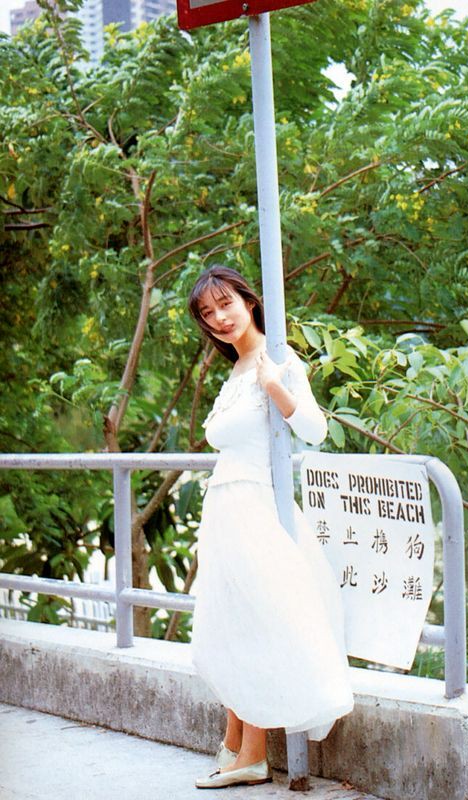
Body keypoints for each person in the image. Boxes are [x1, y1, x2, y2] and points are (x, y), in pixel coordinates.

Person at [187, 265, 354, 790]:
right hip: (225, 509)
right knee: (228, 626)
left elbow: (315, 430)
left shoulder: (277, 359)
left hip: (255, 506)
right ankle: (236, 740)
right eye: (208, 313)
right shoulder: (236, 370)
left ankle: (252, 754)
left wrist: (276, 387)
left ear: (249, 301)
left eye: (226, 304)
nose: (220, 318)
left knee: (253, 627)